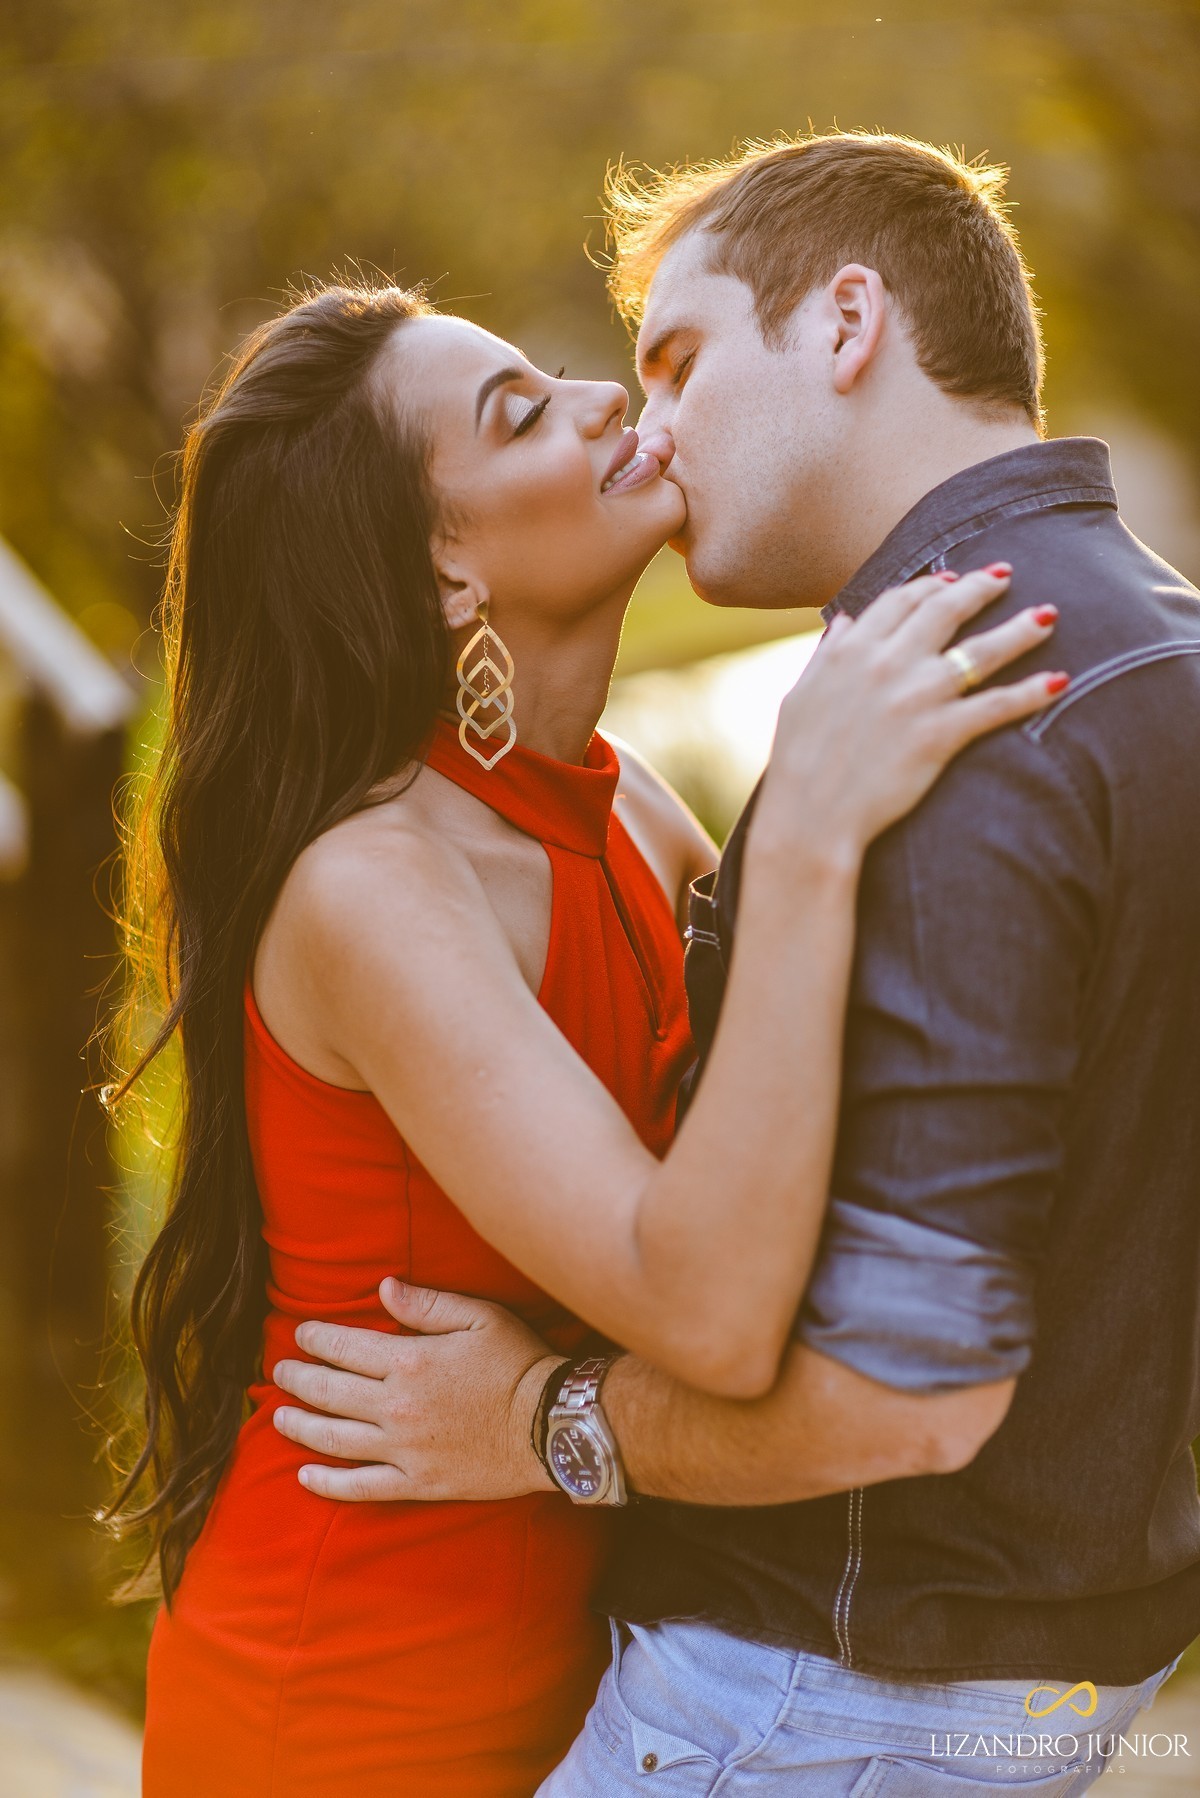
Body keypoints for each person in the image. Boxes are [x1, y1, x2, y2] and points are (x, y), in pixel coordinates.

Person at [279, 135, 1200, 1792]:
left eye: (678, 359)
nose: (647, 419)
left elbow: (903, 1396)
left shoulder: (947, 713)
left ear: (848, 323)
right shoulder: (1154, 648)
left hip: (813, 1697)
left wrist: (535, 1420)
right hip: (1001, 1680)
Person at [107, 271, 1057, 1798]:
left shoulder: (629, 806)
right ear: (446, 571)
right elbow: (711, 1307)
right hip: (347, 1705)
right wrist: (805, 815)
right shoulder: (373, 883)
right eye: (522, 414)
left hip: (607, 1685)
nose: (610, 396)